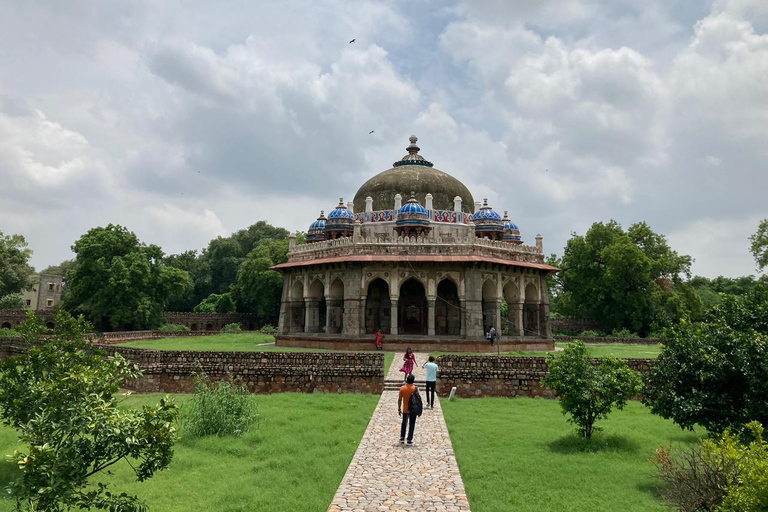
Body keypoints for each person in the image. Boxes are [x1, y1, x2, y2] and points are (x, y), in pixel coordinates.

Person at [398, 374, 418, 445]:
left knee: (404, 423)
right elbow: (417, 399)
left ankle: (402, 437)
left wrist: (399, 408)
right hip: (413, 409)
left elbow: (400, 399)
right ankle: (409, 439)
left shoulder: (402, 388)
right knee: (412, 424)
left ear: (407, 379)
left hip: (405, 409)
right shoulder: (415, 388)